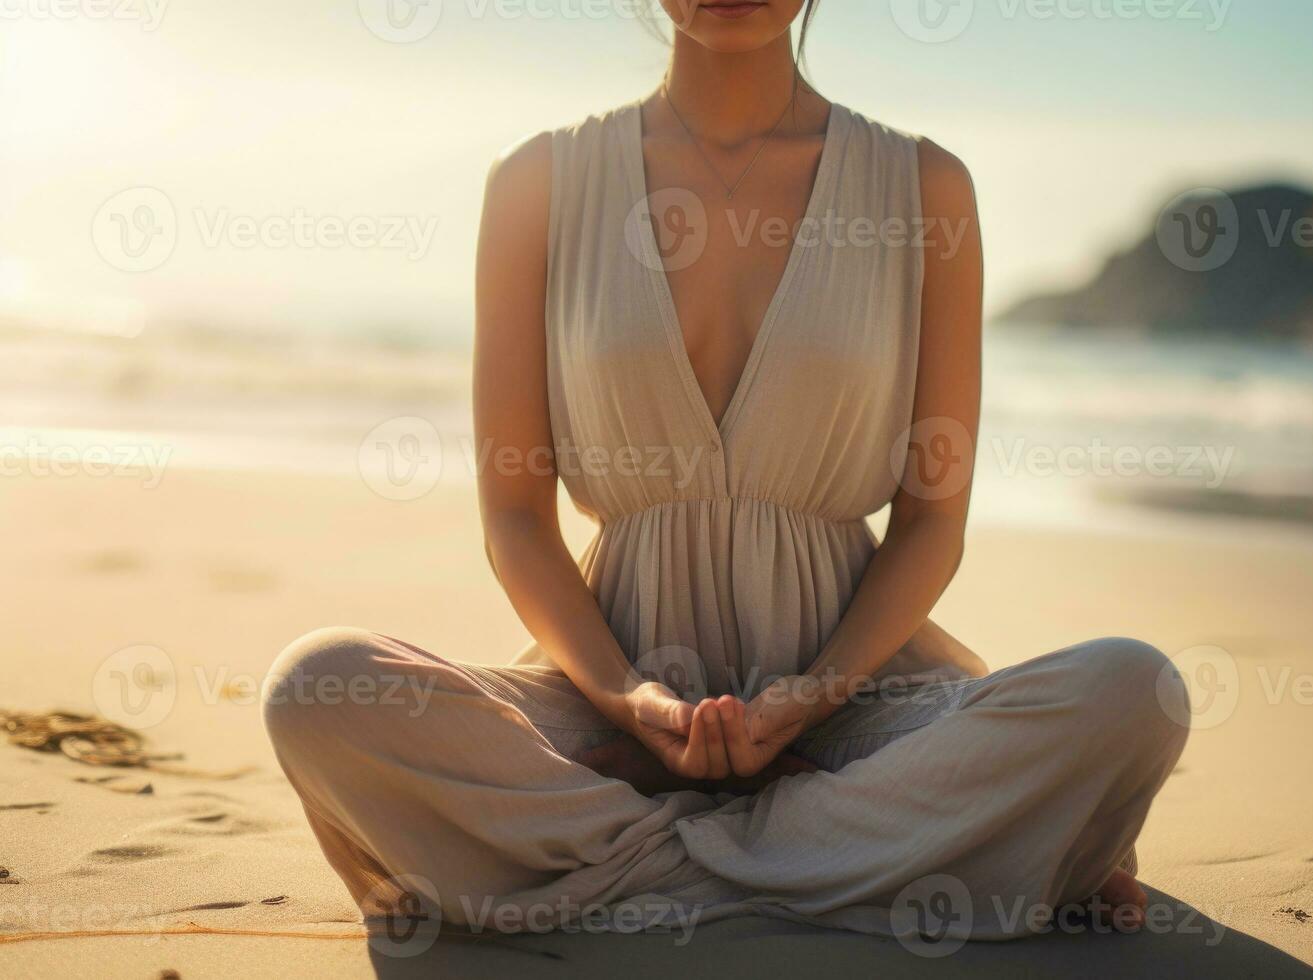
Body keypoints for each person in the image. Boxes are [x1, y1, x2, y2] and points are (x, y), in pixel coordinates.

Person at [263, 0, 1189, 942]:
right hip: (608, 723)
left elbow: (930, 523)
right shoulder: (538, 183)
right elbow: (515, 521)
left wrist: (811, 698)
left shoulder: (924, 187)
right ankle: (879, 866)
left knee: (1132, 692)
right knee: (317, 687)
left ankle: (619, 869)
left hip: (855, 715)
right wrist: (626, 698)